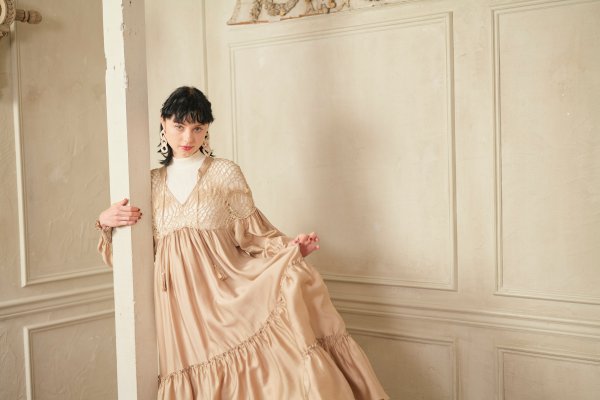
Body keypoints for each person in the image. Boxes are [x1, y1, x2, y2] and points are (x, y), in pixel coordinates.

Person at [96, 86, 389, 399]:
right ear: (163, 122)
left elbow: (253, 234)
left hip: (226, 301)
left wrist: (289, 250)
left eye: (198, 128)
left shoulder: (224, 173)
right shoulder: (148, 184)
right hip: (179, 314)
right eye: (179, 126)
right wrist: (105, 222)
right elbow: (129, 259)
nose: (188, 137)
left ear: (207, 129)